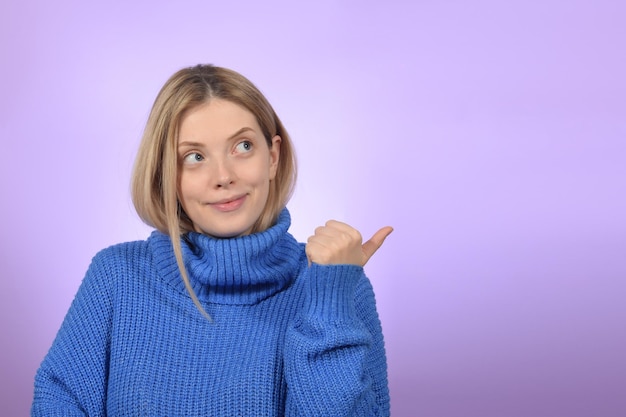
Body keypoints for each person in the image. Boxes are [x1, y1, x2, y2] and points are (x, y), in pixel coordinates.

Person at [32, 64, 392, 416]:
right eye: (194, 156)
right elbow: (57, 402)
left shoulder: (340, 287)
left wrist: (329, 300)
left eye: (243, 146)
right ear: (166, 175)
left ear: (273, 156)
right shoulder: (115, 277)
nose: (223, 176)